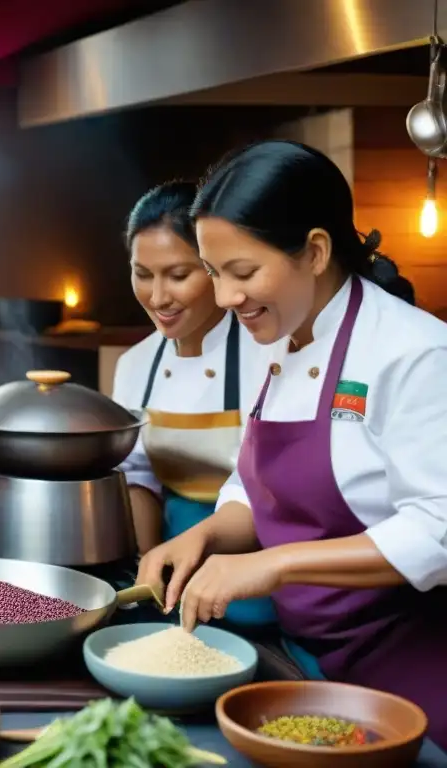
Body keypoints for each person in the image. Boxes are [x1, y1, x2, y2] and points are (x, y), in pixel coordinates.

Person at [137, 140, 447, 745]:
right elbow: (256, 486)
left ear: (315, 250)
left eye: (243, 272)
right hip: (302, 657)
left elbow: (437, 530)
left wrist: (272, 566)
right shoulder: (271, 335)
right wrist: (204, 537)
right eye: (213, 272)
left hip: (405, 663)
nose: (225, 298)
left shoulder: (414, 353)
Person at [113, 181, 276, 627]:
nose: (158, 296)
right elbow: (138, 477)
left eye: (178, 275)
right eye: (142, 274)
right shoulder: (135, 364)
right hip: (171, 575)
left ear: (214, 269)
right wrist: (147, 569)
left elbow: (270, 486)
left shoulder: (269, 354)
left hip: (259, 575)